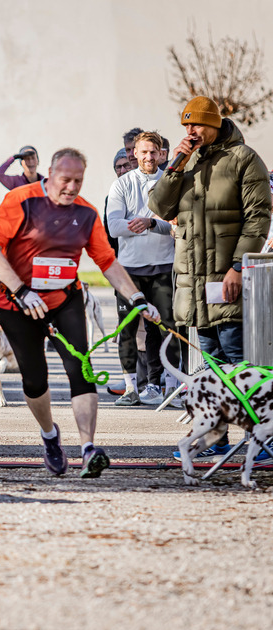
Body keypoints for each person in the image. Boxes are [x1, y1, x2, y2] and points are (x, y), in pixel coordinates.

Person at [0, 148, 159, 478]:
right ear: (49, 174)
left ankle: (89, 449)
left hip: (64, 299)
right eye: (65, 180)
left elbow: (107, 262)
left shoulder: (87, 214)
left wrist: (136, 297)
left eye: (78, 181)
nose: (71, 187)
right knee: (35, 378)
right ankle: (50, 437)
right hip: (16, 301)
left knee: (81, 368)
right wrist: (21, 290)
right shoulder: (21, 200)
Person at [150, 97, 270, 457]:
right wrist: (176, 165)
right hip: (195, 285)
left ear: (217, 124)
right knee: (211, 370)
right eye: (186, 125)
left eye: (198, 124)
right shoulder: (187, 163)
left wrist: (237, 266)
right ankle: (216, 439)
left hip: (226, 278)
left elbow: (258, 217)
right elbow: (159, 207)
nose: (191, 131)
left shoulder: (243, 160)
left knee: (239, 367)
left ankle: (262, 440)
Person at [107, 131, 176, 408]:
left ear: (161, 154)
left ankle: (168, 386)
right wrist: (150, 221)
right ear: (134, 153)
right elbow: (114, 226)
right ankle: (131, 388)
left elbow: (176, 226)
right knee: (127, 329)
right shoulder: (121, 185)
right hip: (130, 271)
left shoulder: (170, 183)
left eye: (154, 152)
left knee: (166, 327)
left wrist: (150, 224)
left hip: (163, 266)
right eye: (143, 152)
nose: (148, 157)